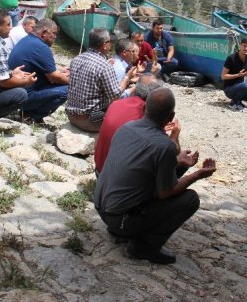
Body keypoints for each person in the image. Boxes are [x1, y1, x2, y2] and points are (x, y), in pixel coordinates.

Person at [94, 87, 216, 265]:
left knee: (169, 178)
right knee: (190, 199)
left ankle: (121, 231)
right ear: (170, 117)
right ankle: (144, 247)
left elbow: (144, 171)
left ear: (144, 109)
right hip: (121, 219)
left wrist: (177, 162)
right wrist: (197, 175)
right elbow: (165, 193)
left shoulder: (126, 128)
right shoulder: (163, 146)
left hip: (103, 209)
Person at [66, 28, 137, 132]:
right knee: (131, 111)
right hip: (91, 121)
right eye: (110, 42)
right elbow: (115, 95)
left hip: (71, 116)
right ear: (104, 45)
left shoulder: (77, 59)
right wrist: (127, 77)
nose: (111, 45)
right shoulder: (104, 66)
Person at [94, 73, 163, 174]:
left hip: (99, 170)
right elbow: (162, 148)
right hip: (118, 181)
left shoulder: (115, 104)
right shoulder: (148, 116)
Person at [8, 19, 69, 122]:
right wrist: (74, 81)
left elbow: (46, 70)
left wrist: (61, 72)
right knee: (68, 90)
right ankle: (31, 116)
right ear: (44, 33)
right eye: (53, 33)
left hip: (14, 92)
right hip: (23, 96)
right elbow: (53, 77)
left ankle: (27, 113)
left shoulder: (27, 40)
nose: (55, 37)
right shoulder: (41, 47)